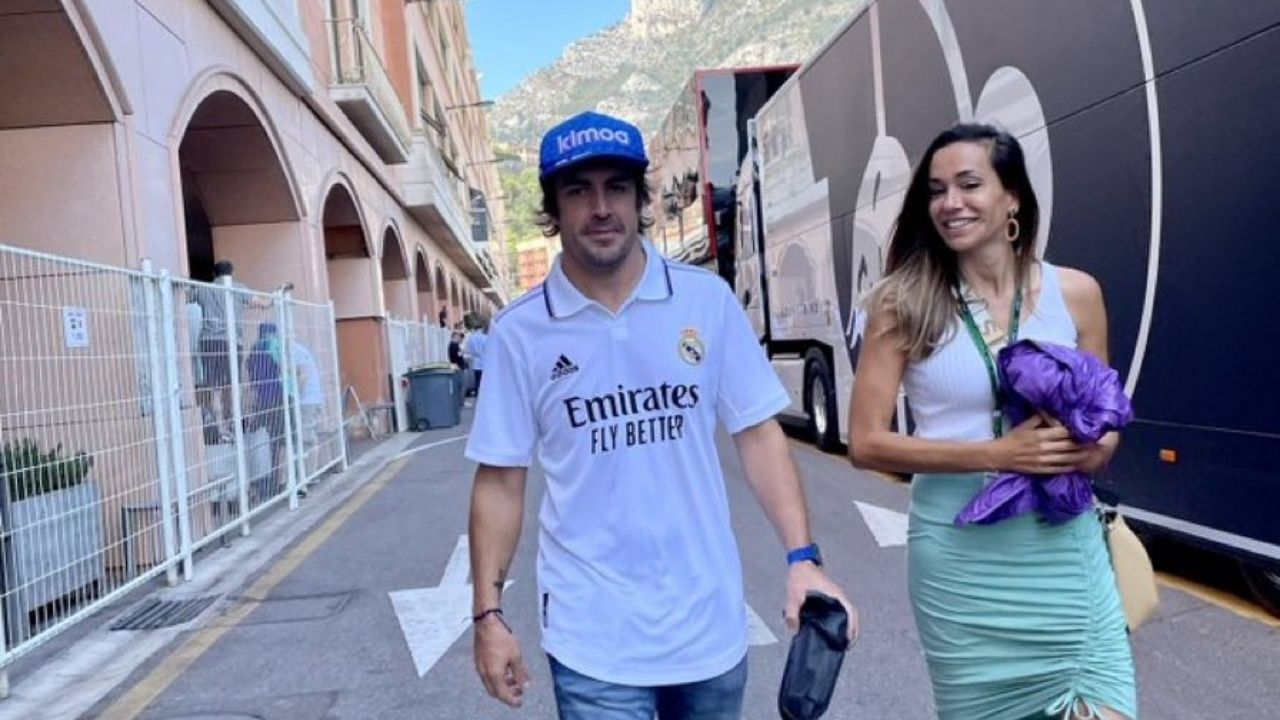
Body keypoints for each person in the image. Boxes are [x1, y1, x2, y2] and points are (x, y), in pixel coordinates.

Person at [465, 110, 857, 718]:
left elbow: (759, 436)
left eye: (617, 188)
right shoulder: (520, 333)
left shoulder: (706, 300)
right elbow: (499, 480)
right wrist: (487, 616)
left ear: (639, 199)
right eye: (579, 191)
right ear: (553, 210)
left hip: (709, 630)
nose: (601, 208)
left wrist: (803, 560)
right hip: (591, 640)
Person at [847, 123, 1135, 719]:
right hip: (960, 563)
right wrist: (995, 455)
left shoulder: (1077, 293)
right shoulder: (903, 303)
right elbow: (866, 442)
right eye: (936, 190)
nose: (950, 203)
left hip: (1063, 550)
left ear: (1013, 199)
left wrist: (1094, 450)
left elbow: (1105, 418)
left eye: (969, 184)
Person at [189, 260, 264, 441]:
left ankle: (221, 427)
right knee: (232, 385)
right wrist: (275, 298)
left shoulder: (204, 288)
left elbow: (188, 297)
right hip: (231, 341)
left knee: (214, 387)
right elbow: (259, 303)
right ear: (231, 272)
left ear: (214, 274)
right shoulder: (237, 289)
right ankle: (233, 424)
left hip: (209, 341)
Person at [464, 321, 488, 396]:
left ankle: (478, 395)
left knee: (477, 381)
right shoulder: (485, 337)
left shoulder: (472, 338)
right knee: (485, 383)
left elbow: (468, 350)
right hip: (485, 362)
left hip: (476, 362)